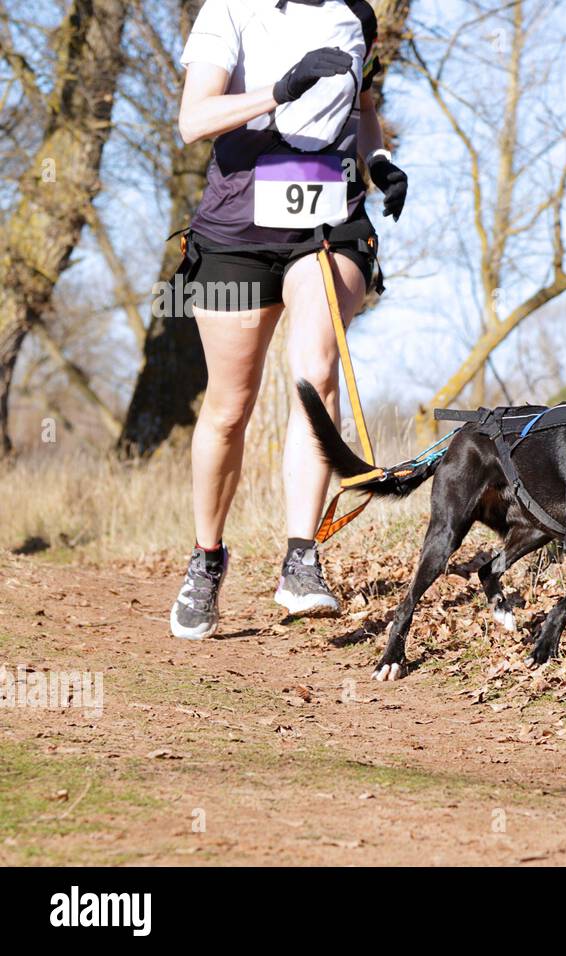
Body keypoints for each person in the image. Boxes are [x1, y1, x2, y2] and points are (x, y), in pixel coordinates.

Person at [168, 0, 408, 639]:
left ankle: (301, 556)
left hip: (328, 222)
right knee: (228, 406)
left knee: (315, 373)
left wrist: (379, 164)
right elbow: (194, 120)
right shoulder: (229, 11)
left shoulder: (357, 15)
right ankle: (207, 558)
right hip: (237, 229)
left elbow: (361, 110)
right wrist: (275, 93)